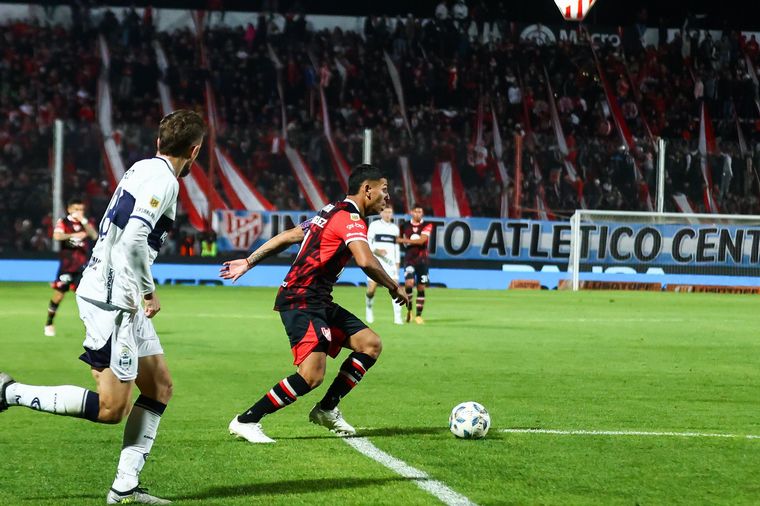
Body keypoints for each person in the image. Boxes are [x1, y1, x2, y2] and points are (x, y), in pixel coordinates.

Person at [1, 109, 206, 505]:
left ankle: (124, 487)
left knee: (160, 387)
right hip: (114, 300)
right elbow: (132, 241)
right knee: (113, 408)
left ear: (159, 143)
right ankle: (8, 392)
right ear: (195, 151)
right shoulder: (165, 181)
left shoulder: (141, 167)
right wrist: (148, 292)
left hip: (117, 294)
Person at [220, 164, 408, 444]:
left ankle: (327, 409)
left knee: (370, 343)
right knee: (311, 375)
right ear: (367, 190)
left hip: (317, 299)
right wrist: (394, 285)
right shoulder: (351, 220)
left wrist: (249, 262)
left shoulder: (328, 212)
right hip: (301, 299)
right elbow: (366, 260)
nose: (387, 197)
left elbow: (288, 237)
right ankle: (247, 420)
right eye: (384, 189)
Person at [44, 197, 98, 337]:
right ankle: (49, 323)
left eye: (81, 209)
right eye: (76, 209)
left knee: (85, 297)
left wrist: (84, 221)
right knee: (59, 295)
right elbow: (56, 236)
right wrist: (74, 235)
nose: (79, 212)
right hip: (67, 266)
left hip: (83, 267)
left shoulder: (87, 222)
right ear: (69, 209)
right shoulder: (63, 222)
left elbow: (94, 235)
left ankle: (90, 329)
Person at [365, 204, 402, 325]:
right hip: (376, 262)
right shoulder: (374, 226)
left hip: (391, 264)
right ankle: (369, 307)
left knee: (395, 288)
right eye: (385, 212)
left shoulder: (394, 228)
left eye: (390, 212)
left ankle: (398, 317)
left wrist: (397, 262)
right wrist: (377, 250)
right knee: (371, 290)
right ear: (381, 213)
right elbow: (368, 243)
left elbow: (396, 247)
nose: (387, 214)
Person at [398, 204, 433, 324]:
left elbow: (422, 240)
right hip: (409, 259)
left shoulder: (427, 225)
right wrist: (400, 240)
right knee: (409, 283)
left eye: (420, 212)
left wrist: (404, 240)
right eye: (416, 211)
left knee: (421, 287)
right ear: (411, 212)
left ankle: (419, 315)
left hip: (422, 260)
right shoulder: (404, 225)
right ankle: (409, 311)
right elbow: (397, 239)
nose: (418, 214)